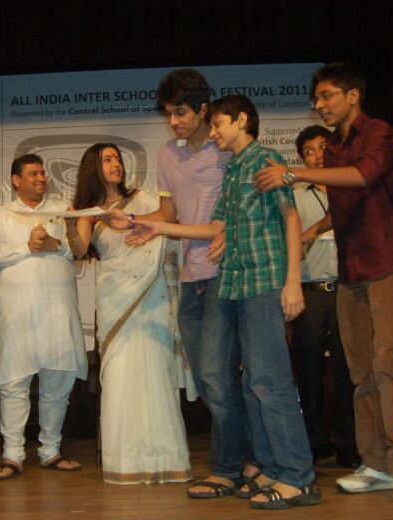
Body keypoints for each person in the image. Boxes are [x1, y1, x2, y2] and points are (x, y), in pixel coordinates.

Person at [124, 94, 320, 510]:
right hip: (237, 286)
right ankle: (269, 468)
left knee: (271, 382)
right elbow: (215, 227)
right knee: (251, 385)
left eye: (218, 124)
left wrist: (292, 282)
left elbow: (290, 217)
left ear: (242, 120)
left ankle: (298, 477)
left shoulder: (265, 159)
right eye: (210, 126)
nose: (212, 133)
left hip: (267, 282)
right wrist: (152, 225)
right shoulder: (234, 170)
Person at [253, 63, 393, 505]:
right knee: (361, 371)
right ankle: (375, 463)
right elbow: (343, 200)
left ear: (353, 95)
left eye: (327, 95)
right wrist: (313, 228)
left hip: (387, 260)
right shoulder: (333, 145)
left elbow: (364, 176)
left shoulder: (377, 133)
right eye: (316, 98)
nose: (319, 104)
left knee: (390, 364)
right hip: (350, 270)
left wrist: (294, 173)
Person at [106, 68, 258, 498]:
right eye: (169, 115)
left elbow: (249, 201)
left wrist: (229, 229)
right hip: (190, 276)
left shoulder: (226, 148)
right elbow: (170, 216)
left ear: (204, 110)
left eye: (181, 113)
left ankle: (229, 468)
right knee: (210, 380)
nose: (174, 122)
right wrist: (132, 219)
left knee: (218, 374)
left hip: (227, 274)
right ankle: (249, 460)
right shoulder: (168, 155)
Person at [66, 143, 193, 484]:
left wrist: (136, 222)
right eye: (107, 159)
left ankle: (165, 460)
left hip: (150, 296)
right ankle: (125, 463)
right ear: (93, 166)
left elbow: (170, 223)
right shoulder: (88, 210)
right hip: (115, 299)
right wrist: (71, 221)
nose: (116, 164)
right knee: (120, 376)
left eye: (118, 159)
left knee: (155, 372)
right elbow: (79, 251)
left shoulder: (144, 201)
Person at [0, 153, 88, 480]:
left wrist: (56, 243)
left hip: (57, 312)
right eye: (33, 174)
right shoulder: (1, 215)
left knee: (58, 384)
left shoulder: (61, 211)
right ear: (16, 180)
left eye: (43, 174)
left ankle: (51, 451)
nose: (41, 179)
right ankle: (12, 455)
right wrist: (27, 246)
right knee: (14, 385)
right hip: (18, 316)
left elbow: (80, 250)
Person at [290, 125, 358, 468]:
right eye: (309, 152)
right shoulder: (295, 195)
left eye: (323, 149)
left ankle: (349, 442)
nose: (317, 157)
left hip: (348, 289)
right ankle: (316, 441)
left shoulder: (350, 187)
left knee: (349, 370)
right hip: (311, 290)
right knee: (309, 370)